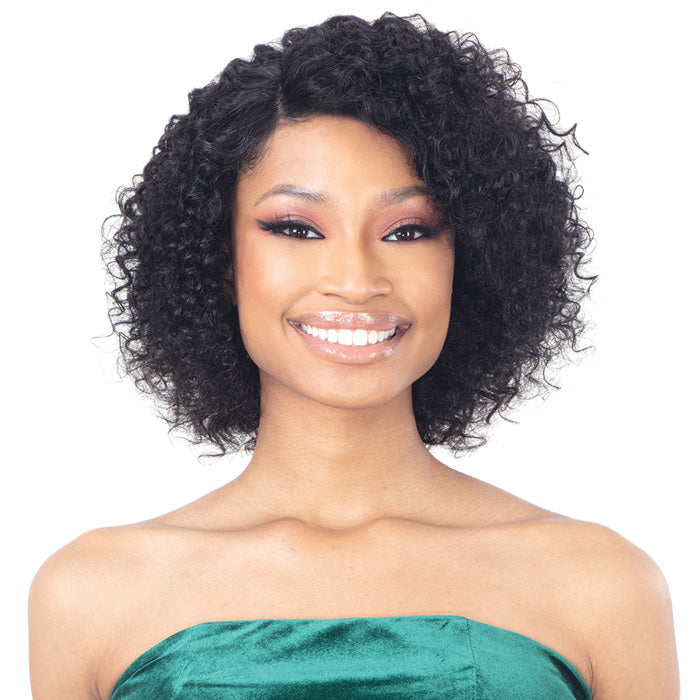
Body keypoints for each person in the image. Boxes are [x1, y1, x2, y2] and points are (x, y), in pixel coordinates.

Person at [28, 13, 678, 699]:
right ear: (221, 259)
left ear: (472, 259)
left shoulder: (600, 586)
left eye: (408, 231)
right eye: (296, 228)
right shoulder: (92, 595)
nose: (356, 280)